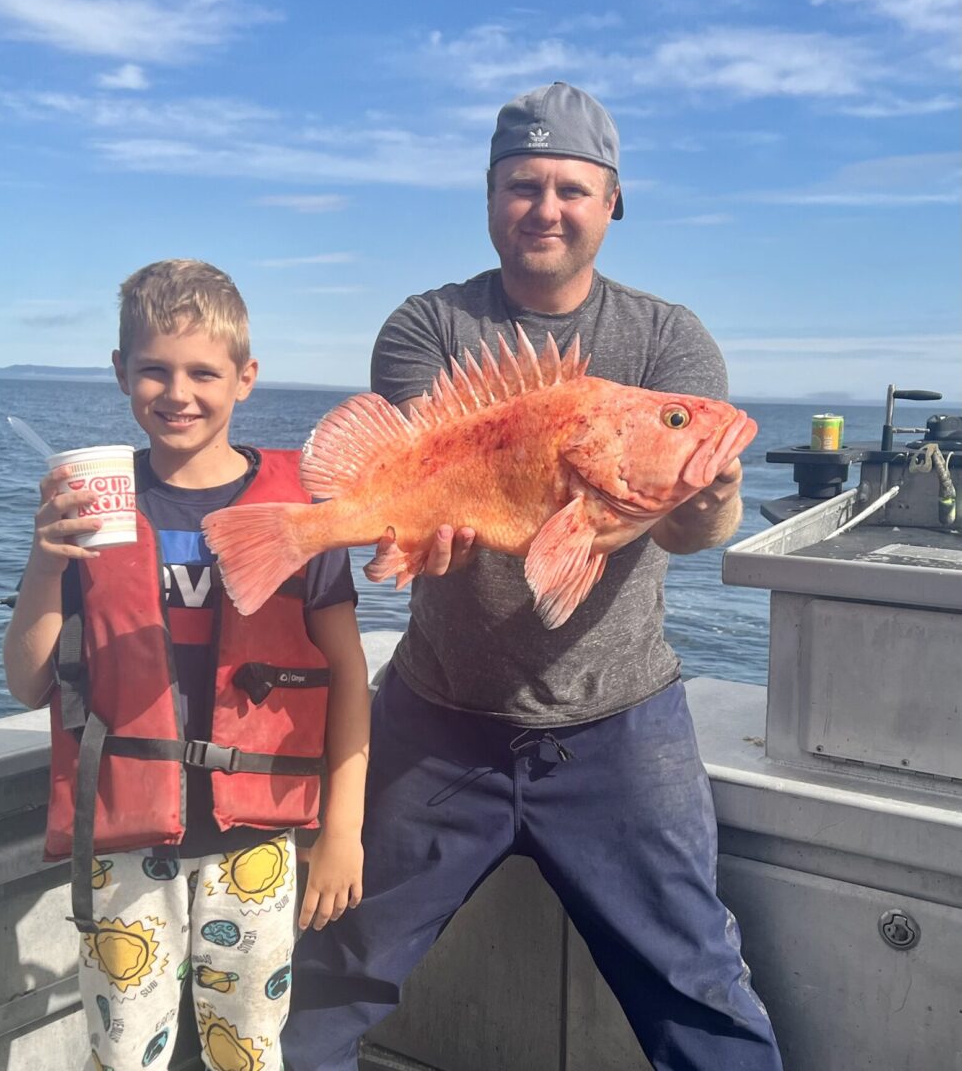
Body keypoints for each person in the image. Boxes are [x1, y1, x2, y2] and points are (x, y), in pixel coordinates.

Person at [282, 83, 783, 1070]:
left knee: (701, 997)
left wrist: (710, 488)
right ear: (488, 198)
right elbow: (414, 486)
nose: (544, 207)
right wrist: (417, 534)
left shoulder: (665, 343)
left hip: (619, 728)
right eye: (522, 185)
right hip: (437, 719)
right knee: (332, 972)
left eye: (569, 188)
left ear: (610, 203)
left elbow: (689, 534)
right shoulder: (427, 326)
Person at [2, 259, 370, 1071]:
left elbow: (348, 676)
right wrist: (41, 563)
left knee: (250, 1049)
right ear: (120, 374)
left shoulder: (296, 513)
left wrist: (340, 829)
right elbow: (27, 681)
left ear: (246, 378)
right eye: (154, 371)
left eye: (204, 372)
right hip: (125, 844)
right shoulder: (86, 506)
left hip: (259, 839)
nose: (179, 393)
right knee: (124, 1049)